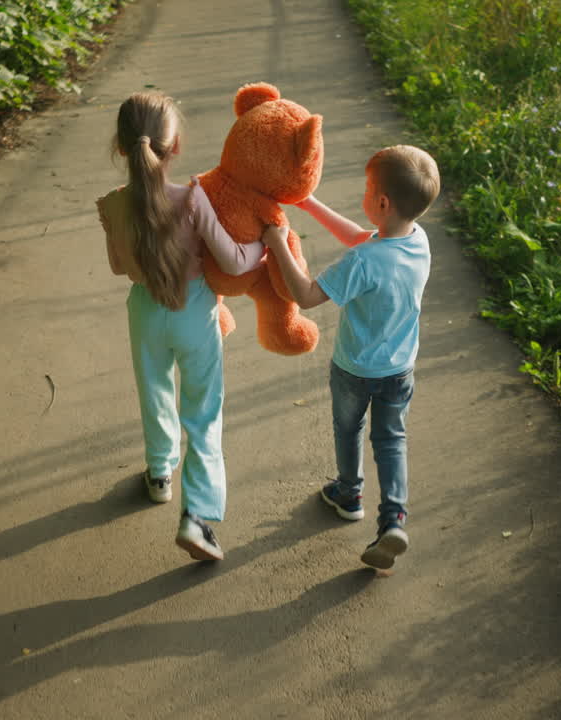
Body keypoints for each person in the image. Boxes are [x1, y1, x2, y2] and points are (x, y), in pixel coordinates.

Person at [95, 91, 265, 562]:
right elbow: (232, 258)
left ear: (121, 147)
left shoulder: (112, 205)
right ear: (175, 147)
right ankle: (198, 518)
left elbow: (119, 269)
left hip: (146, 311)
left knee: (154, 389)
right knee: (204, 413)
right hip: (195, 314)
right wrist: (264, 249)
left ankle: (158, 475)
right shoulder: (193, 198)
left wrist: (111, 226)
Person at [262, 145, 440, 570]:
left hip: (354, 369)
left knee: (348, 428)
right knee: (391, 440)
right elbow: (358, 234)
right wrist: (308, 203)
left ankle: (349, 493)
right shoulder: (416, 240)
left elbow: (305, 295)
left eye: (367, 189)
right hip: (400, 369)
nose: (363, 195)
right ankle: (393, 519)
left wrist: (278, 243)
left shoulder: (362, 262)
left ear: (382, 202)